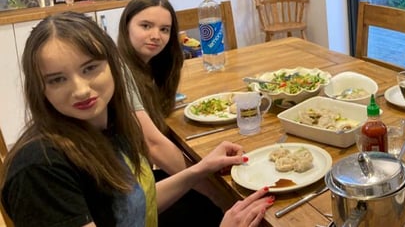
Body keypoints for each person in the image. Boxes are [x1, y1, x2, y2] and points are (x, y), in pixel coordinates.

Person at [0, 12, 272, 227]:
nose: (81, 89)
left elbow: (132, 205)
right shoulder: (39, 169)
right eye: (57, 79)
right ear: (40, 88)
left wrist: (198, 171)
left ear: (113, 66)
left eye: (90, 68)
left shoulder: (109, 124)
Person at [117, 0, 224, 226]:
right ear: (126, 26)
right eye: (146, 26)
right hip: (122, 192)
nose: (156, 35)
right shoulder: (120, 70)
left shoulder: (146, 68)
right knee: (212, 205)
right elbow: (154, 144)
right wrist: (218, 194)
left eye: (165, 29)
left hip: (135, 177)